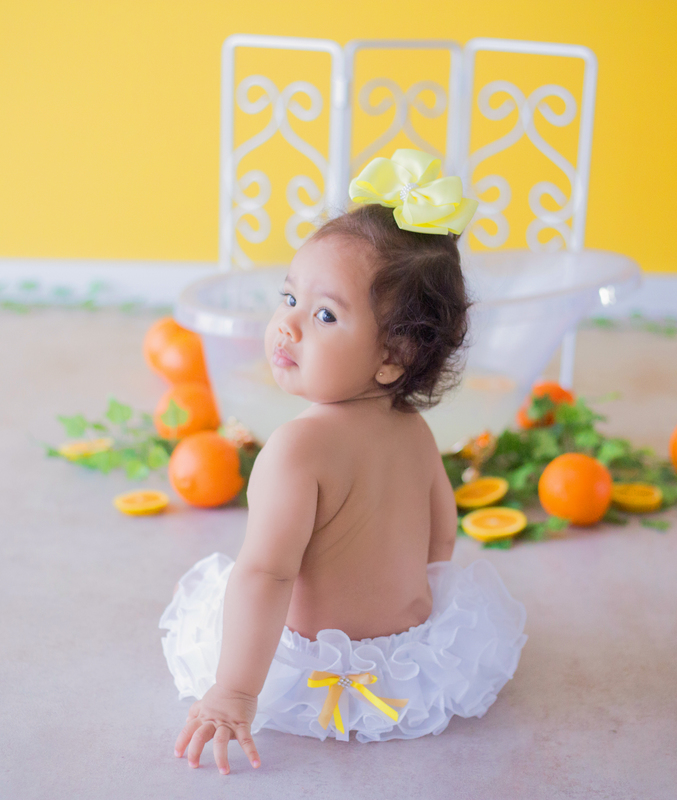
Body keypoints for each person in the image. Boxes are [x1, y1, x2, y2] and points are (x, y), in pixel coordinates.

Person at [160, 150, 527, 774]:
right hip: (406, 658)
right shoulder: (413, 428)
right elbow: (443, 535)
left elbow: (266, 576)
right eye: (289, 297)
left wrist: (237, 691)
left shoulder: (295, 449)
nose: (287, 326)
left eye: (324, 314)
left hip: (313, 664)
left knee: (224, 595)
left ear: (393, 356)